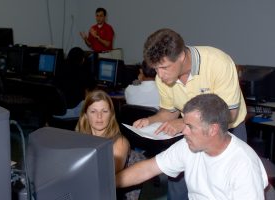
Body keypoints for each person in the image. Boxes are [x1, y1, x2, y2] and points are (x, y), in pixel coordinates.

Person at [133, 28, 248, 199]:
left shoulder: (218, 63)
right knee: (178, 186)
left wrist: (184, 123)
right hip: (189, 132)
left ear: (181, 56)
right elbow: (169, 112)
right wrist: (150, 120)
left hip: (228, 130)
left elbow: (229, 113)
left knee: (221, 186)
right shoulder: (162, 78)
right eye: (155, 69)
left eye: (164, 67)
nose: (160, 75)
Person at [116, 93, 268, 200]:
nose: (184, 131)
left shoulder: (243, 164)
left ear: (213, 129)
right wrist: (108, 182)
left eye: (190, 126)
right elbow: (147, 169)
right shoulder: (188, 146)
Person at [75, 90, 130, 173]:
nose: (99, 116)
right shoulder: (78, 138)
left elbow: (107, 175)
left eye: (104, 111)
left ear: (111, 114)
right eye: (93, 111)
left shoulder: (120, 143)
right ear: (86, 115)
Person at [53, 47, 96, 119]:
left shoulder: (58, 69)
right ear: (82, 60)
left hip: (55, 111)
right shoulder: (82, 72)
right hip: (70, 111)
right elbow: (92, 86)